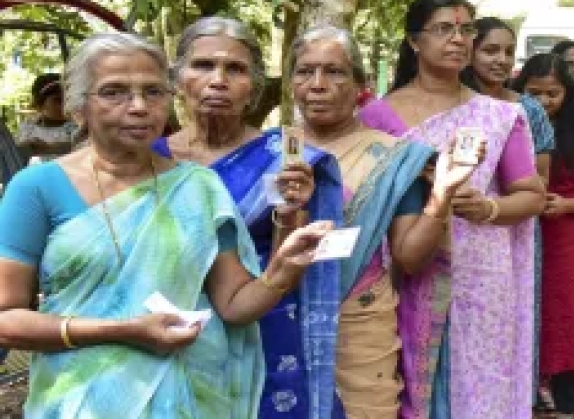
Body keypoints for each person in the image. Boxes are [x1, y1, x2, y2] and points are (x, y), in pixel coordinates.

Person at [0, 32, 331, 417]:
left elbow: (235, 305)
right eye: (114, 92)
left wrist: (281, 270)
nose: (139, 107)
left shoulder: (198, 187)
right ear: (78, 108)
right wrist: (124, 331)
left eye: (154, 92)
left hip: (191, 400)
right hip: (78, 401)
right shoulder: (38, 187)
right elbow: (7, 320)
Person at [359, 0, 546, 418]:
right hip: (404, 269)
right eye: (444, 29)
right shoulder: (377, 117)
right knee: (409, 385)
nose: (458, 40)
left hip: (481, 276)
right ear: (413, 41)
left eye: (466, 31)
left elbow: (532, 194)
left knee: (478, 386)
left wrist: (489, 209)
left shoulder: (498, 116)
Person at [153, 17, 345, 418]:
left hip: (264, 323)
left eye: (235, 69)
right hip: (165, 326)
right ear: (176, 78)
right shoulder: (148, 157)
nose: (218, 80)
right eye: (203, 65)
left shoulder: (284, 157)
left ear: (254, 87)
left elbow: (290, 264)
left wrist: (291, 209)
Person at [292, 25, 484, 417]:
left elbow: (410, 258)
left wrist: (442, 195)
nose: (317, 84)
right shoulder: (272, 149)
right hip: (280, 319)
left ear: (360, 84)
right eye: (304, 71)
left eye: (335, 72)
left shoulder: (395, 158)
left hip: (360, 325)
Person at [461, 16, 555, 407]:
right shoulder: (453, 102)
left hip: (513, 225)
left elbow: (539, 181)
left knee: (513, 319)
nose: (500, 60)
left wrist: (497, 206)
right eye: (489, 50)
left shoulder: (527, 109)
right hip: (456, 226)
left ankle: (515, 399)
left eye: (508, 52)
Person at [513, 53, 574, 416]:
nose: (543, 102)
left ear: (568, 92)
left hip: (565, 237)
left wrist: (568, 206)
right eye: (534, 93)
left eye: (552, 93)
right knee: (523, 311)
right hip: (516, 230)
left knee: (566, 317)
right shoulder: (507, 124)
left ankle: (567, 401)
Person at [16, 73, 77, 163]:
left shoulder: (74, 128)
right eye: (58, 100)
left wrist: (49, 148)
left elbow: (80, 148)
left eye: (67, 99)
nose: (65, 105)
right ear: (39, 104)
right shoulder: (28, 129)